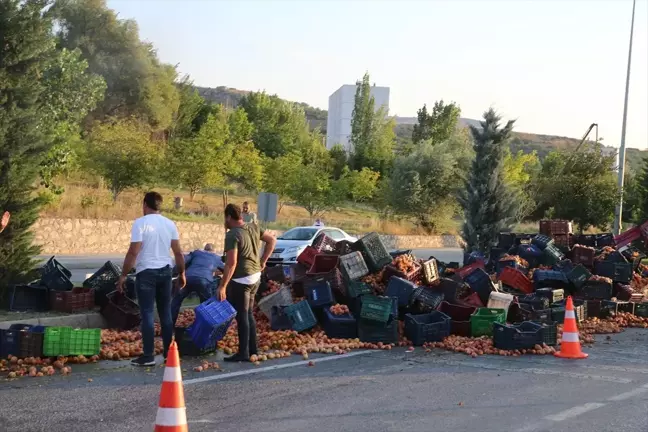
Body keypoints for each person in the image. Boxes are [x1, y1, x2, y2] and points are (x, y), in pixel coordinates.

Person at [116, 192, 186, 367]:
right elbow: (178, 252)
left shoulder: (140, 223)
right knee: (165, 313)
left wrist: (123, 275)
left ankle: (148, 356)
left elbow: (133, 252)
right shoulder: (170, 224)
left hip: (146, 273)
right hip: (166, 272)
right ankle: (168, 353)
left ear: (145, 205)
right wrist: (182, 273)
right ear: (159, 205)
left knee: (147, 312)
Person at [217, 203, 276, 362]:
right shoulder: (253, 226)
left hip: (241, 280)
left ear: (229, 217)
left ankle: (243, 352)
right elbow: (271, 240)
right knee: (248, 314)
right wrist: (263, 261)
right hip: (255, 277)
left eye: (225, 218)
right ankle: (253, 350)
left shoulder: (232, 235)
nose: (225, 221)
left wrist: (222, 286)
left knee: (242, 316)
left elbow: (231, 263)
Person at [170, 243, 224, 326]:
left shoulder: (196, 253)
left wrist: (174, 273)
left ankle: (169, 326)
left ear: (204, 249)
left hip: (188, 279)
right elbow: (225, 268)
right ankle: (204, 327)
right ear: (214, 251)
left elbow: (183, 260)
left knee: (176, 302)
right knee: (206, 306)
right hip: (204, 281)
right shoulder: (216, 257)